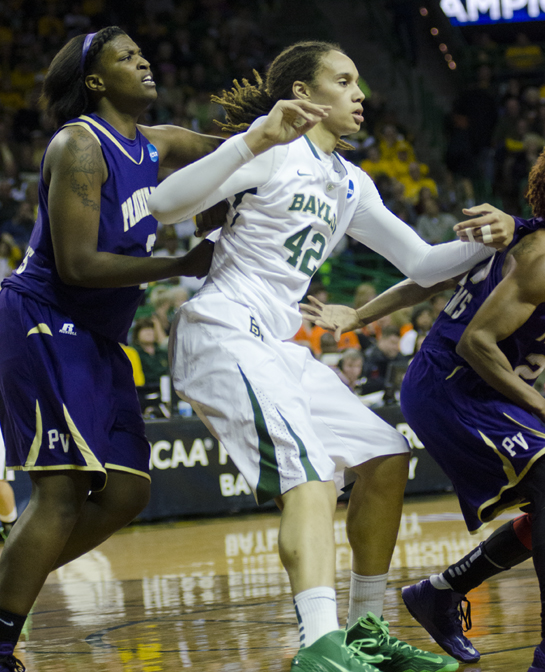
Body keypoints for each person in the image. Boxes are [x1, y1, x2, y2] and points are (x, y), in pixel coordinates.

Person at [148, 40, 511, 672]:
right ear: (303, 96)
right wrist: (255, 139)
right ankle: (319, 645)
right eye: (343, 81)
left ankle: (365, 629)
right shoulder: (274, 152)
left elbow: (423, 263)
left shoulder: (351, 181)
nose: (360, 94)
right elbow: (165, 205)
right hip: (222, 330)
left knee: (387, 456)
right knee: (309, 470)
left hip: (277, 346)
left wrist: (497, 237)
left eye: (359, 82)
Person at [0, 26, 221, 672]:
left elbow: (231, 153)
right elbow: (75, 265)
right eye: (127, 57)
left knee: (126, 493)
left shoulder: (156, 143)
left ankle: (12, 572)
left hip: (99, 336)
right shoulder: (79, 145)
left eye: (143, 53)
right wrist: (181, 263)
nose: (145, 61)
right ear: (95, 80)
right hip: (44, 319)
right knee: (62, 493)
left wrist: (279, 124)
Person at [300, 197, 545, 672]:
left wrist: (360, 315)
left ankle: (441, 592)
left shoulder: (515, 237)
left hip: (491, 387)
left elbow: (432, 277)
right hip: (452, 384)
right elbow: (473, 337)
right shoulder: (535, 255)